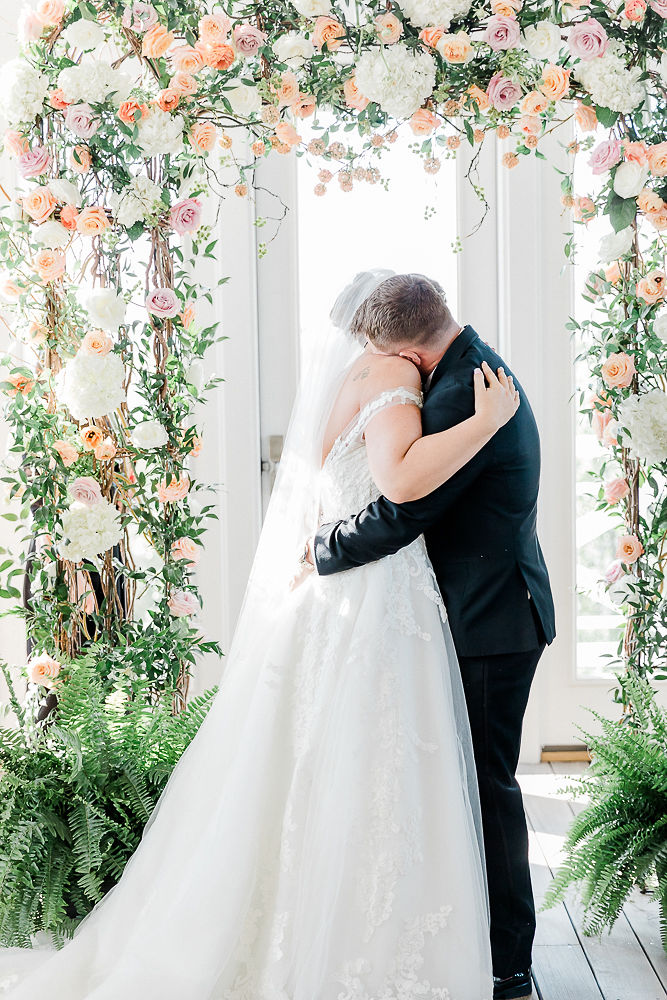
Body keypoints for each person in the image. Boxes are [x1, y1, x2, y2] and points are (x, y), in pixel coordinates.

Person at [0, 269, 518, 1000]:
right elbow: (399, 488)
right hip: (374, 594)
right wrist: (482, 423)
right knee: (375, 762)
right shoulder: (391, 379)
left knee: (321, 758)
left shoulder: (351, 380)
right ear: (389, 337)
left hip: (340, 590)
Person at [306, 273, 556, 1000]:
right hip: (484, 610)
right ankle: (473, 940)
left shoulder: (459, 396)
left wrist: (319, 551)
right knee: (466, 787)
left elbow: (402, 512)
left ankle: (508, 963)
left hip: (491, 620)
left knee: (488, 790)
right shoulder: (467, 368)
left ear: (406, 350)